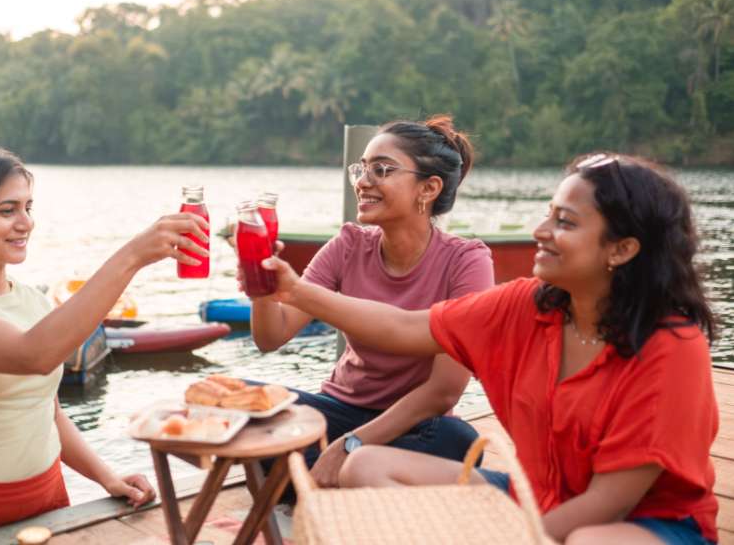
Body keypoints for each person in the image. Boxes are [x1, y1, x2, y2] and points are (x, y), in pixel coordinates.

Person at [262, 152, 719, 544]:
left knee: (586, 540)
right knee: (364, 465)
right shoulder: (527, 304)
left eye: (564, 222)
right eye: (548, 213)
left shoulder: (671, 347)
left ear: (621, 250)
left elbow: (606, 504)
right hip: (536, 496)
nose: (540, 230)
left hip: (641, 524)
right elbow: (404, 326)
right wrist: (296, 291)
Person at [0, 142, 209, 545]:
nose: (24, 222)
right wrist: (132, 255)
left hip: (47, 497)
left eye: (28, 207)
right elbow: (34, 355)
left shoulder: (33, 300)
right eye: (7, 210)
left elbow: (46, 410)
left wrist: (107, 477)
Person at [246, 115, 494, 487]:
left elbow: (444, 391)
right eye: (361, 169)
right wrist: (261, 285)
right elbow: (271, 336)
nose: (362, 182)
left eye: (381, 170)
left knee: (456, 439)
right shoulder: (348, 245)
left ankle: (317, 477)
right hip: (338, 409)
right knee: (242, 403)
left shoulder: (467, 262)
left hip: (412, 424)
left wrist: (350, 446)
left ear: (428, 189)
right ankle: (342, 481)